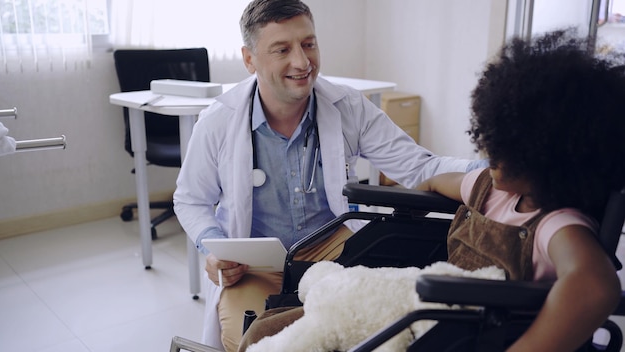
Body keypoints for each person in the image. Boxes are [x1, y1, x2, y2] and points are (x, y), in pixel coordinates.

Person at [239, 29, 625, 351]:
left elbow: (594, 286)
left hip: (455, 331)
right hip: (417, 302)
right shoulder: (491, 188)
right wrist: (415, 203)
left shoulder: (558, 226)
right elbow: (434, 178)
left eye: (504, 149)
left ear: (552, 157)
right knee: (261, 330)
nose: (488, 153)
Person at [173, 0, 484, 350]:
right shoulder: (217, 121)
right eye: (282, 49)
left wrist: (491, 173)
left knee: (369, 333)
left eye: (309, 43)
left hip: (334, 248)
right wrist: (214, 248)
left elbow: (419, 166)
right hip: (254, 263)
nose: (302, 62)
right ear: (250, 60)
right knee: (253, 343)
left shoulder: (347, 106)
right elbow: (191, 199)